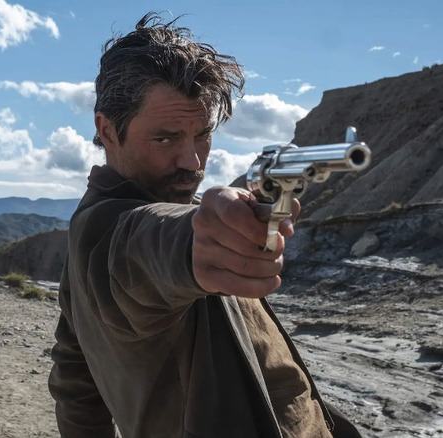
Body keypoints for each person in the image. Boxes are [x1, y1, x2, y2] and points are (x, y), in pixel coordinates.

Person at [48, 12, 363, 438]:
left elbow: (75, 373)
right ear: (107, 131)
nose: (192, 161)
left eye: (202, 135)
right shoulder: (103, 232)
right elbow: (150, 242)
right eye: (165, 138)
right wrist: (197, 242)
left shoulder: (160, 213)